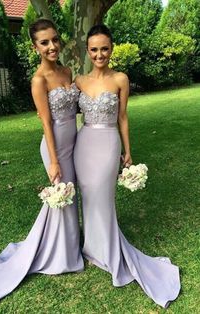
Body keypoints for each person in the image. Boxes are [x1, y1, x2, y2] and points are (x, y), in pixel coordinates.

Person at [0, 19, 84, 305]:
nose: (52, 46)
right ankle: (62, 256)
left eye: (54, 40)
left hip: (73, 142)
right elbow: (46, 122)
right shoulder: (39, 80)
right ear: (35, 47)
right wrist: (54, 161)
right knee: (64, 197)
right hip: (55, 145)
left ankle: (69, 248)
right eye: (44, 42)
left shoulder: (66, 71)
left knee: (70, 198)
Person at [73, 24, 180, 308]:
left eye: (104, 48)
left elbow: (122, 118)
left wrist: (128, 152)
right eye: (94, 49)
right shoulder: (79, 81)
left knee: (104, 197)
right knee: (88, 195)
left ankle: (108, 251)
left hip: (108, 143)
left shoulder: (121, 78)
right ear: (88, 50)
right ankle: (90, 247)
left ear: (112, 48)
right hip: (84, 144)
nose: (99, 54)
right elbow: (62, 109)